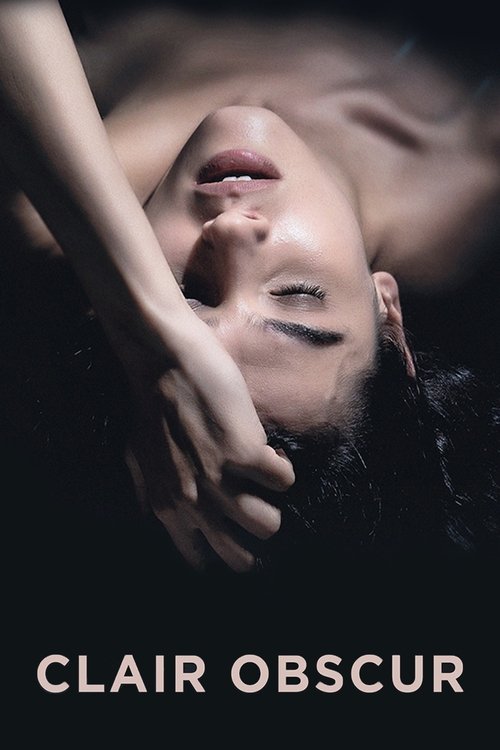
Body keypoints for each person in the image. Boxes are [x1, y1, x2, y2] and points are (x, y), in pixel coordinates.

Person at [0, 1, 498, 572]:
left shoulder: (46, 195)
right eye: (296, 294)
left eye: (185, 294)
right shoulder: (476, 193)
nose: (232, 231)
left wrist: (149, 321)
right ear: (386, 308)